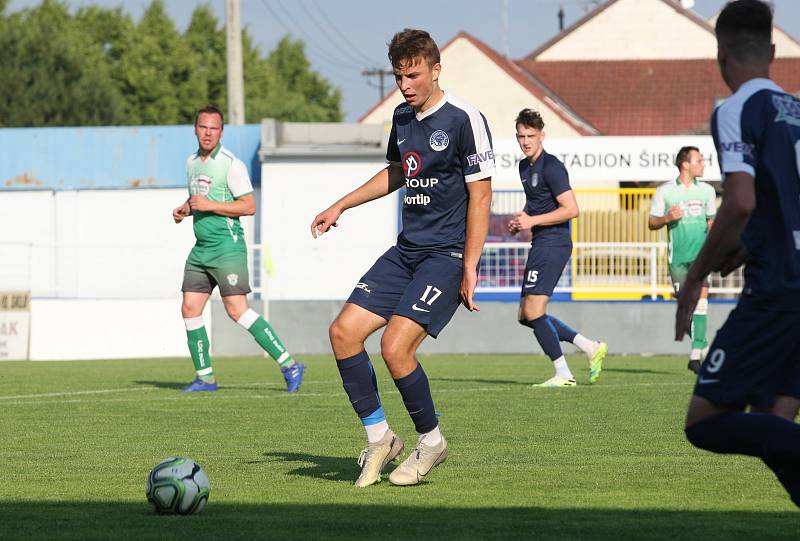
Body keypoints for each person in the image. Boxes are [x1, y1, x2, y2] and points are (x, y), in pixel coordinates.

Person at [310, 29, 493, 487]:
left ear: (435, 70)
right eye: (399, 76)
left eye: (413, 75)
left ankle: (431, 442)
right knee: (343, 333)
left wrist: (470, 265)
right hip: (406, 251)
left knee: (394, 346)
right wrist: (341, 204)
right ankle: (380, 439)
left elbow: (482, 195)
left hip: (445, 256)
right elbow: (397, 171)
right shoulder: (402, 116)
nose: (405, 85)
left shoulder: (464, 118)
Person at [675, 0, 800, 507]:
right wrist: (746, 247)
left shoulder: (733, 109)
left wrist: (696, 276)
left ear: (721, 56)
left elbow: (742, 201)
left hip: (777, 293)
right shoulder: (796, 111)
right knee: (774, 422)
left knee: (703, 423)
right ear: (772, 51)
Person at [173, 104, 305, 393]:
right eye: (203, 127)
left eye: (214, 128)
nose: (208, 133)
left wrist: (209, 206)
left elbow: (249, 206)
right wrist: (186, 209)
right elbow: (199, 197)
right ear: (195, 129)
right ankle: (205, 377)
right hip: (202, 249)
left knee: (237, 310)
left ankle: (289, 364)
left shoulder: (232, 164)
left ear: (221, 131)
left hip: (227, 248)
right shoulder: (192, 162)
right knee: (189, 308)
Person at [508, 109, 607, 387]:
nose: (526, 141)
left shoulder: (551, 166)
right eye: (521, 136)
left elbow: (571, 209)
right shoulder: (523, 167)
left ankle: (564, 374)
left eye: (531, 136)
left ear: (542, 136)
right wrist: (522, 219)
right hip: (540, 242)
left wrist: (532, 220)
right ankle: (589, 347)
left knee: (533, 312)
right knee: (525, 315)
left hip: (554, 243)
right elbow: (537, 202)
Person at [649, 146, 716, 374]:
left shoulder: (707, 191)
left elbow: (711, 220)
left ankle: (695, 356)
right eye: (699, 160)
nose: (703, 163)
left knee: (702, 303)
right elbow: (652, 223)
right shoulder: (665, 192)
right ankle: (703, 349)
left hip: (701, 257)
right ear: (685, 164)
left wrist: (712, 226)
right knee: (688, 310)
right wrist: (667, 217)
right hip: (677, 258)